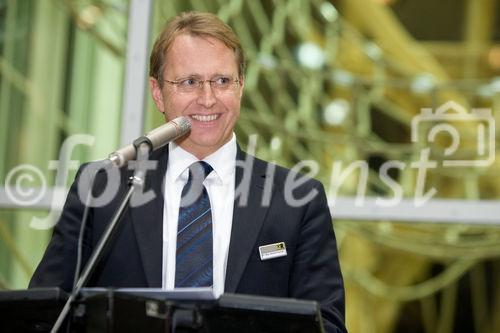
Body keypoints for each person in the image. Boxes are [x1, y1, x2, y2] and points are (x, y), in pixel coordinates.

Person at [30, 11, 346, 332]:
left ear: (241, 87)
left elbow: (328, 325)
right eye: (189, 82)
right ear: (157, 93)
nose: (207, 99)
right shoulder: (102, 188)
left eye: (222, 81)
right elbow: (44, 315)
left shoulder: (298, 199)